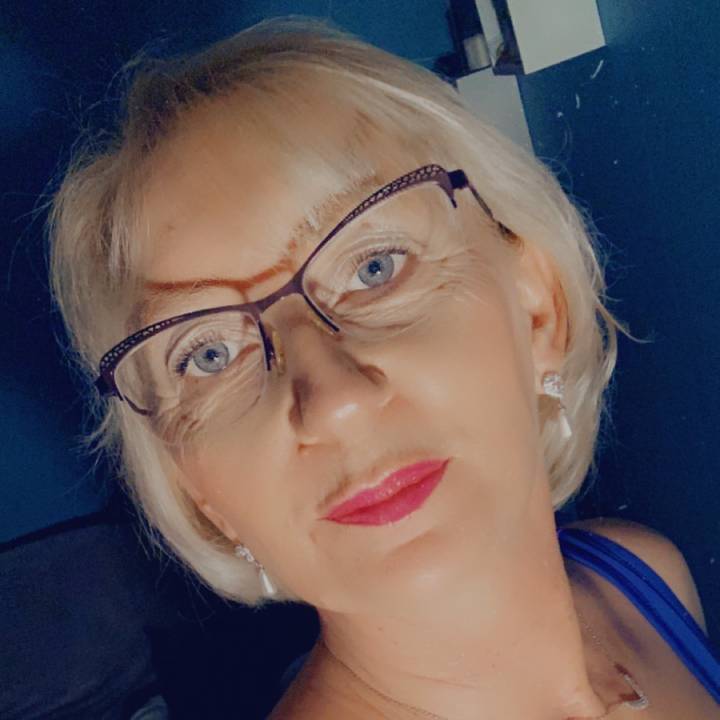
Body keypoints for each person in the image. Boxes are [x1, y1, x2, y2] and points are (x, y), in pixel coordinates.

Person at [47, 16, 720, 719]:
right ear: (199, 494)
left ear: (536, 307)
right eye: (210, 354)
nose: (334, 400)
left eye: (374, 266)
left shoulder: (640, 577)